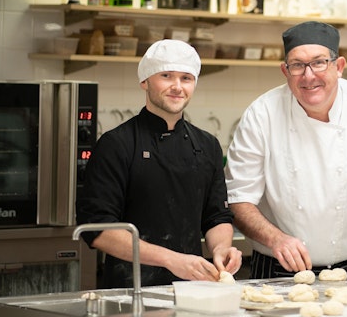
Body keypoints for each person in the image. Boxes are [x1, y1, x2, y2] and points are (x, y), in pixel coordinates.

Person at [225, 21, 347, 283]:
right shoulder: (262, 115)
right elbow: (238, 199)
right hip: (278, 267)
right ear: (285, 70)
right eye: (297, 65)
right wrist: (276, 239)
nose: (309, 76)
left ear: (338, 67)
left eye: (319, 62)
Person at [76, 39, 242, 288]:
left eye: (186, 78)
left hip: (193, 290)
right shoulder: (116, 145)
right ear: (144, 81)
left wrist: (222, 249)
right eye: (166, 76)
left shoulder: (207, 145)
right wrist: (170, 260)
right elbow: (97, 229)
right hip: (129, 292)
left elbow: (216, 216)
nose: (177, 86)